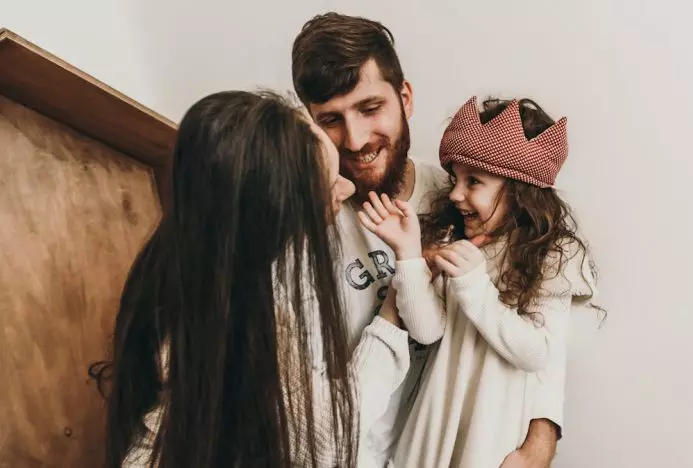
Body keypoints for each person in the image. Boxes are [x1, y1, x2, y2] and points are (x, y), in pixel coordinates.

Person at [292, 12, 564, 467]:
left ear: (405, 97)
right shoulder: (300, 224)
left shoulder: (462, 198)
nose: (356, 139)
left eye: (369, 108)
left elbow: (541, 313)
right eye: (331, 120)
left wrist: (540, 439)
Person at [93, 90, 411, 468]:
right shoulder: (240, 315)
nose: (348, 188)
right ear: (279, 214)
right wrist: (392, 314)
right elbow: (327, 438)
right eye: (329, 185)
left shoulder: (192, 256)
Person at [358, 96, 599, 467]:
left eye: (474, 182)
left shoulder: (551, 256)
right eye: (456, 178)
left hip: (491, 437)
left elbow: (536, 353)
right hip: (431, 429)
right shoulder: (455, 241)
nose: (455, 193)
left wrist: (475, 286)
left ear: (521, 193)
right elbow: (427, 332)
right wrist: (408, 255)